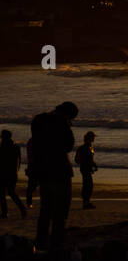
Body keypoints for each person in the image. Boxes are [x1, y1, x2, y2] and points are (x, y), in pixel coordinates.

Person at [29, 101, 78, 251]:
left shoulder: (38, 120)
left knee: (45, 210)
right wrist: (67, 126)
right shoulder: (61, 122)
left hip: (43, 170)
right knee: (60, 212)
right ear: (68, 114)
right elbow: (69, 146)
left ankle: (41, 241)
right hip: (60, 170)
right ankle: (56, 243)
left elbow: (34, 142)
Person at [0, 130, 26, 219]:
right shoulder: (15, 147)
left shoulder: (1, 147)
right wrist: (16, 171)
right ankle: (22, 209)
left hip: (3, 173)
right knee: (12, 193)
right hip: (12, 173)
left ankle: (4, 212)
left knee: (2, 194)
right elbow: (19, 161)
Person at [74, 131, 98, 209]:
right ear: (89, 138)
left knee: (88, 185)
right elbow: (77, 160)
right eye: (93, 137)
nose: (94, 138)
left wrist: (94, 165)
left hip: (87, 168)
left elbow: (90, 158)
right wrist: (86, 163)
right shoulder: (84, 148)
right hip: (85, 168)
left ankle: (86, 202)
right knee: (87, 185)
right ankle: (85, 203)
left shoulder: (89, 147)